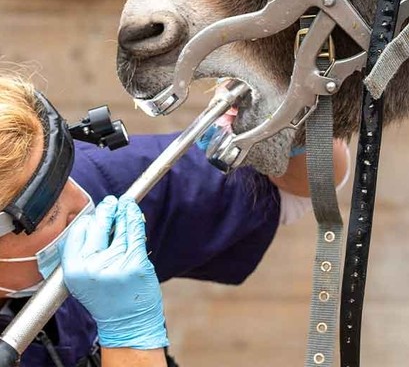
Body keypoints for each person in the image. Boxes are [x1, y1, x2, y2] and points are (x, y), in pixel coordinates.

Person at [0, 76, 348, 366]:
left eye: (66, 171)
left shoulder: (94, 182)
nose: (84, 203)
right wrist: (130, 338)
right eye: (50, 213)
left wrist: (278, 126)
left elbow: (304, 182)